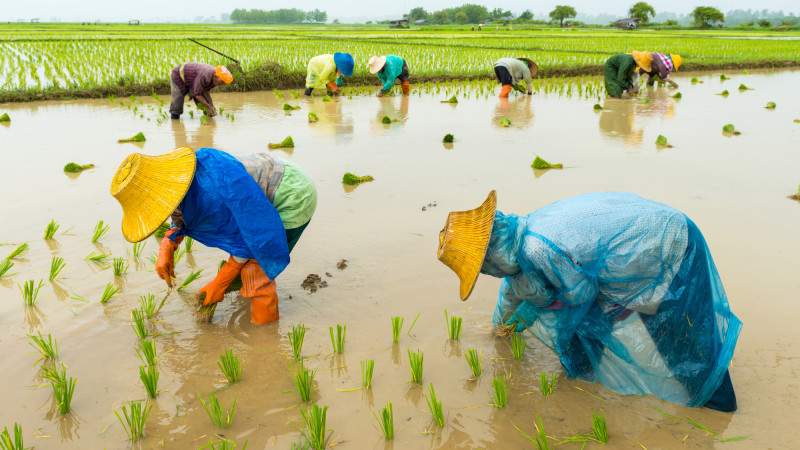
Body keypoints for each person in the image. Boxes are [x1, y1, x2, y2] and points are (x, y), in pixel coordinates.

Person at [437, 191, 741, 411]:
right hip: (643, 246)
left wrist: (534, 310)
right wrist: (499, 331)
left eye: (483, 266)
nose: (488, 272)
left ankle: (719, 404)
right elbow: (511, 292)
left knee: (683, 339)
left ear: (491, 251)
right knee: (604, 326)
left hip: (668, 245)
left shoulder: (538, 249)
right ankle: (582, 382)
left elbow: (581, 297)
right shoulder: (522, 236)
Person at [110, 147, 317, 324]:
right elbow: (180, 210)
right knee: (241, 268)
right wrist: (168, 242)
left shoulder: (211, 196)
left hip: (293, 195)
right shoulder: (180, 181)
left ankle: (264, 341)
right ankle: (242, 292)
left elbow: (246, 238)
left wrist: (221, 281)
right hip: (272, 175)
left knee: (256, 271)